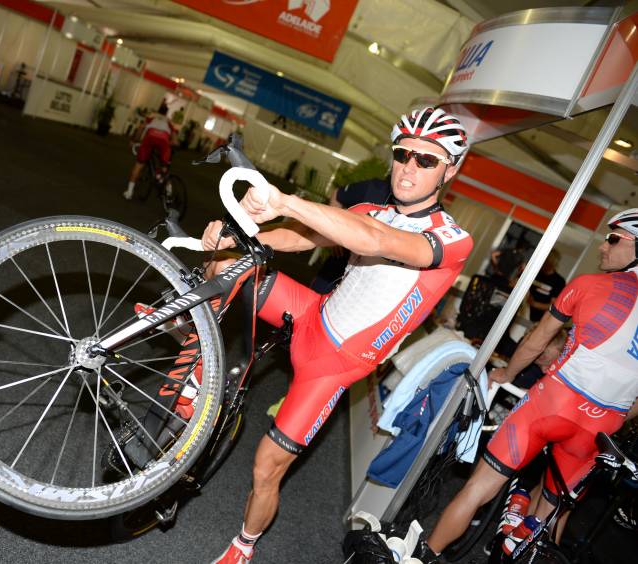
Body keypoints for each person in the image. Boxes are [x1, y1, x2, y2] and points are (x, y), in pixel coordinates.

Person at [203, 107, 473, 564]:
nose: (409, 166)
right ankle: (192, 372)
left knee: (267, 466)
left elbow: (376, 240)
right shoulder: (369, 207)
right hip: (311, 313)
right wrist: (238, 234)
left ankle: (243, 547)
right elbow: (302, 236)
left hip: (334, 366)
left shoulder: (451, 238)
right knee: (226, 266)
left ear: (451, 168)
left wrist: (285, 199)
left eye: (426, 160)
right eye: (403, 154)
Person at [423, 209, 638, 561]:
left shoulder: (589, 284)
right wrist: (614, 413)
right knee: (554, 511)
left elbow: (537, 342)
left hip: (554, 402)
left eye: (614, 239)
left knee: (478, 488)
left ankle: (425, 555)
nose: (603, 246)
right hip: (602, 426)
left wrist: (506, 374)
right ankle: (518, 540)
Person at [123, 102, 177, 200]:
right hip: (164, 141)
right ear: (166, 113)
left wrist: (134, 140)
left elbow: (141, 128)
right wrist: (172, 144)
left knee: (138, 166)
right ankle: (168, 189)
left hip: (150, 138)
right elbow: (174, 137)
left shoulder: (151, 116)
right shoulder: (168, 121)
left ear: (158, 110)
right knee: (164, 168)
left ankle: (129, 192)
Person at [525, 250, 566, 322]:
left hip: (540, 319)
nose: (545, 265)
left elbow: (553, 305)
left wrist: (534, 304)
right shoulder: (535, 273)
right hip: (524, 310)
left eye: (548, 263)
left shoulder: (559, 281)